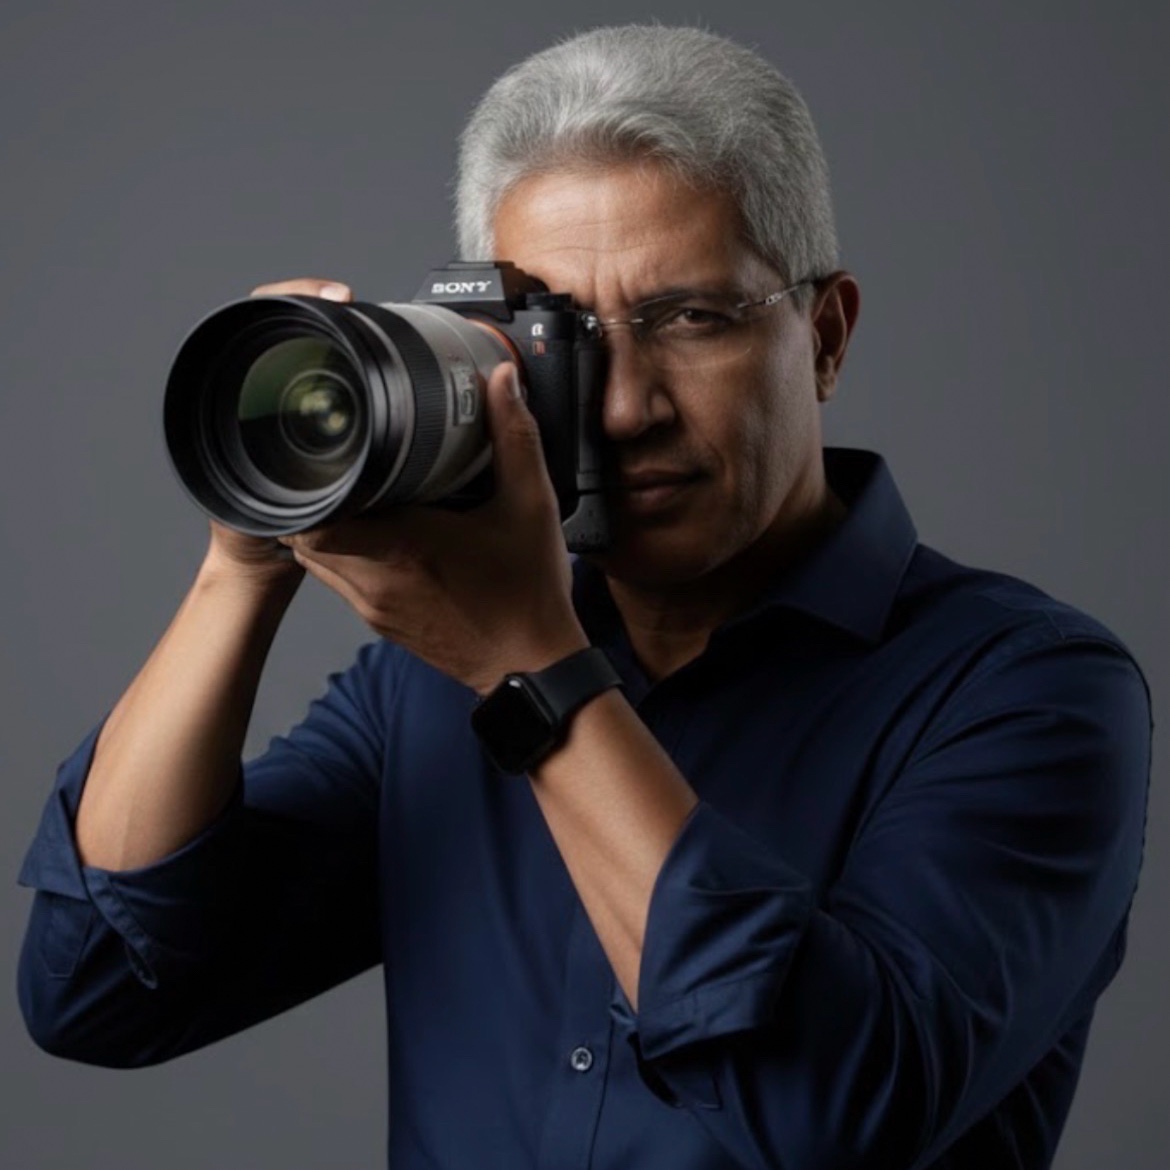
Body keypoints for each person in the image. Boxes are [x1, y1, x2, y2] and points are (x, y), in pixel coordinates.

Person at [17, 24, 1151, 1170]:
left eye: (690, 318)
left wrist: (535, 676)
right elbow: (102, 986)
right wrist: (245, 560)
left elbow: (830, 1116)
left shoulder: (1029, 694)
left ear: (824, 335)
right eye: (559, 336)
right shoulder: (429, 686)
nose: (621, 409)